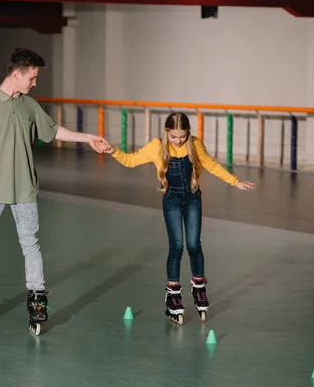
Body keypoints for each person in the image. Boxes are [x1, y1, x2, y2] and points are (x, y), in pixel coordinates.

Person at [0, 47, 106, 335]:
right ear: (17, 74)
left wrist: (87, 138)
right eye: (32, 78)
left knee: (30, 244)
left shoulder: (29, 105)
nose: (34, 83)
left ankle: (37, 298)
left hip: (24, 188)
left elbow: (52, 131)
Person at [101, 111, 256, 323]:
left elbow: (212, 165)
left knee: (194, 245)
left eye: (182, 136)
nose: (178, 140)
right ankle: (173, 293)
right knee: (176, 246)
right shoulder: (157, 146)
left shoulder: (194, 145)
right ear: (167, 132)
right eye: (173, 136)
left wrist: (235, 181)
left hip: (193, 199)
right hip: (171, 200)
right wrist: (112, 150)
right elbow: (130, 160)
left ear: (188, 133)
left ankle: (199, 288)